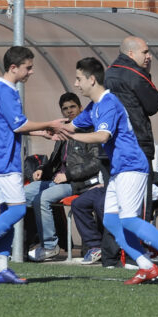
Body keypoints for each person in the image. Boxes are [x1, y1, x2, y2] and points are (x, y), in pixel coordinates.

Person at [64, 57, 158, 285]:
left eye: (79, 78)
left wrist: (70, 135)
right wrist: (40, 129)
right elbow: (68, 127)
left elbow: (102, 136)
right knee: (112, 222)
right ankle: (147, 266)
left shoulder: (109, 103)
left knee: (129, 219)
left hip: (132, 166)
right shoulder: (94, 107)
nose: (75, 83)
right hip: (119, 170)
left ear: (92, 80)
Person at [0, 46, 67, 284]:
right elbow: (19, 125)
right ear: (14, 67)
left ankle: (0, 268)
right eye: (28, 67)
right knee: (18, 210)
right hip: (2, 161)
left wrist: (43, 132)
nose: (31, 72)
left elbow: (12, 125)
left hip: (1, 159)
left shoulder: (2, 90)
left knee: (8, 215)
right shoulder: (6, 91)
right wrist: (50, 123)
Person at [24, 92, 101, 262]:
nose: (69, 111)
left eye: (72, 107)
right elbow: (56, 159)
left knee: (42, 199)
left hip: (76, 182)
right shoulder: (63, 131)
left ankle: (50, 247)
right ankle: (21, 243)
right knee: (22, 195)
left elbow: (95, 163)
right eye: (65, 109)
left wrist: (68, 175)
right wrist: (42, 169)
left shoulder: (90, 130)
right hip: (55, 180)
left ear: (81, 108)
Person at [105, 36, 158, 220]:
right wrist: (147, 74)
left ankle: (113, 248)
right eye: (145, 52)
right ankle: (138, 246)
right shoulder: (136, 74)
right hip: (136, 145)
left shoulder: (107, 73)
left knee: (114, 204)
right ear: (131, 53)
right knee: (139, 203)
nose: (149, 56)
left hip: (108, 147)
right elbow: (153, 104)